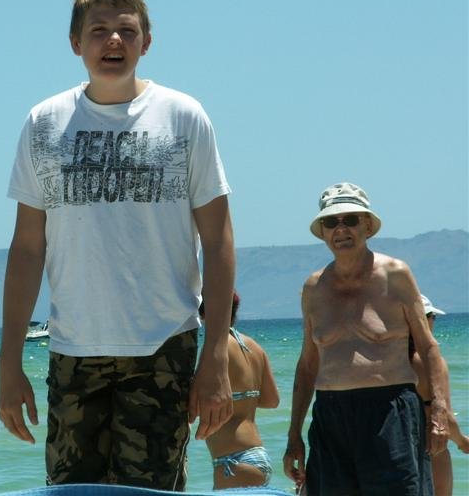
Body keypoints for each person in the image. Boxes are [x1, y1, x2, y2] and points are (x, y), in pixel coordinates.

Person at [0, 0, 236, 490]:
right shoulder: (44, 122)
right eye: (98, 30)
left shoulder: (183, 117)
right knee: (72, 493)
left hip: (162, 345)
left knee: (148, 494)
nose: (113, 41)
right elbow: (27, 249)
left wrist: (216, 354)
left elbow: (218, 242)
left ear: (146, 42)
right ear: (75, 43)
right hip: (72, 347)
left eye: (127, 31)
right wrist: (8, 362)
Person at [283, 182, 452, 496]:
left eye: (350, 220)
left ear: (368, 226)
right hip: (330, 414)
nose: (341, 229)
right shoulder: (313, 288)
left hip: (389, 410)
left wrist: (439, 411)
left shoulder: (395, 274)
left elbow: (428, 347)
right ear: (323, 231)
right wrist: (294, 436)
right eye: (331, 222)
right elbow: (307, 365)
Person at [200, 290, 279, 489]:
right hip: (258, 455)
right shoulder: (255, 347)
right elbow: (272, 400)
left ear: (203, 314)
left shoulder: (216, 350)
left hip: (233, 461)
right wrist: (242, 399)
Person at [410, 295, 469, 496]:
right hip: (430, 447)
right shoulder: (432, 363)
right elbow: (445, 418)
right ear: (423, 320)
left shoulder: (390, 361)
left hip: (394, 446)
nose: (434, 321)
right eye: (432, 316)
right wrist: (462, 442)